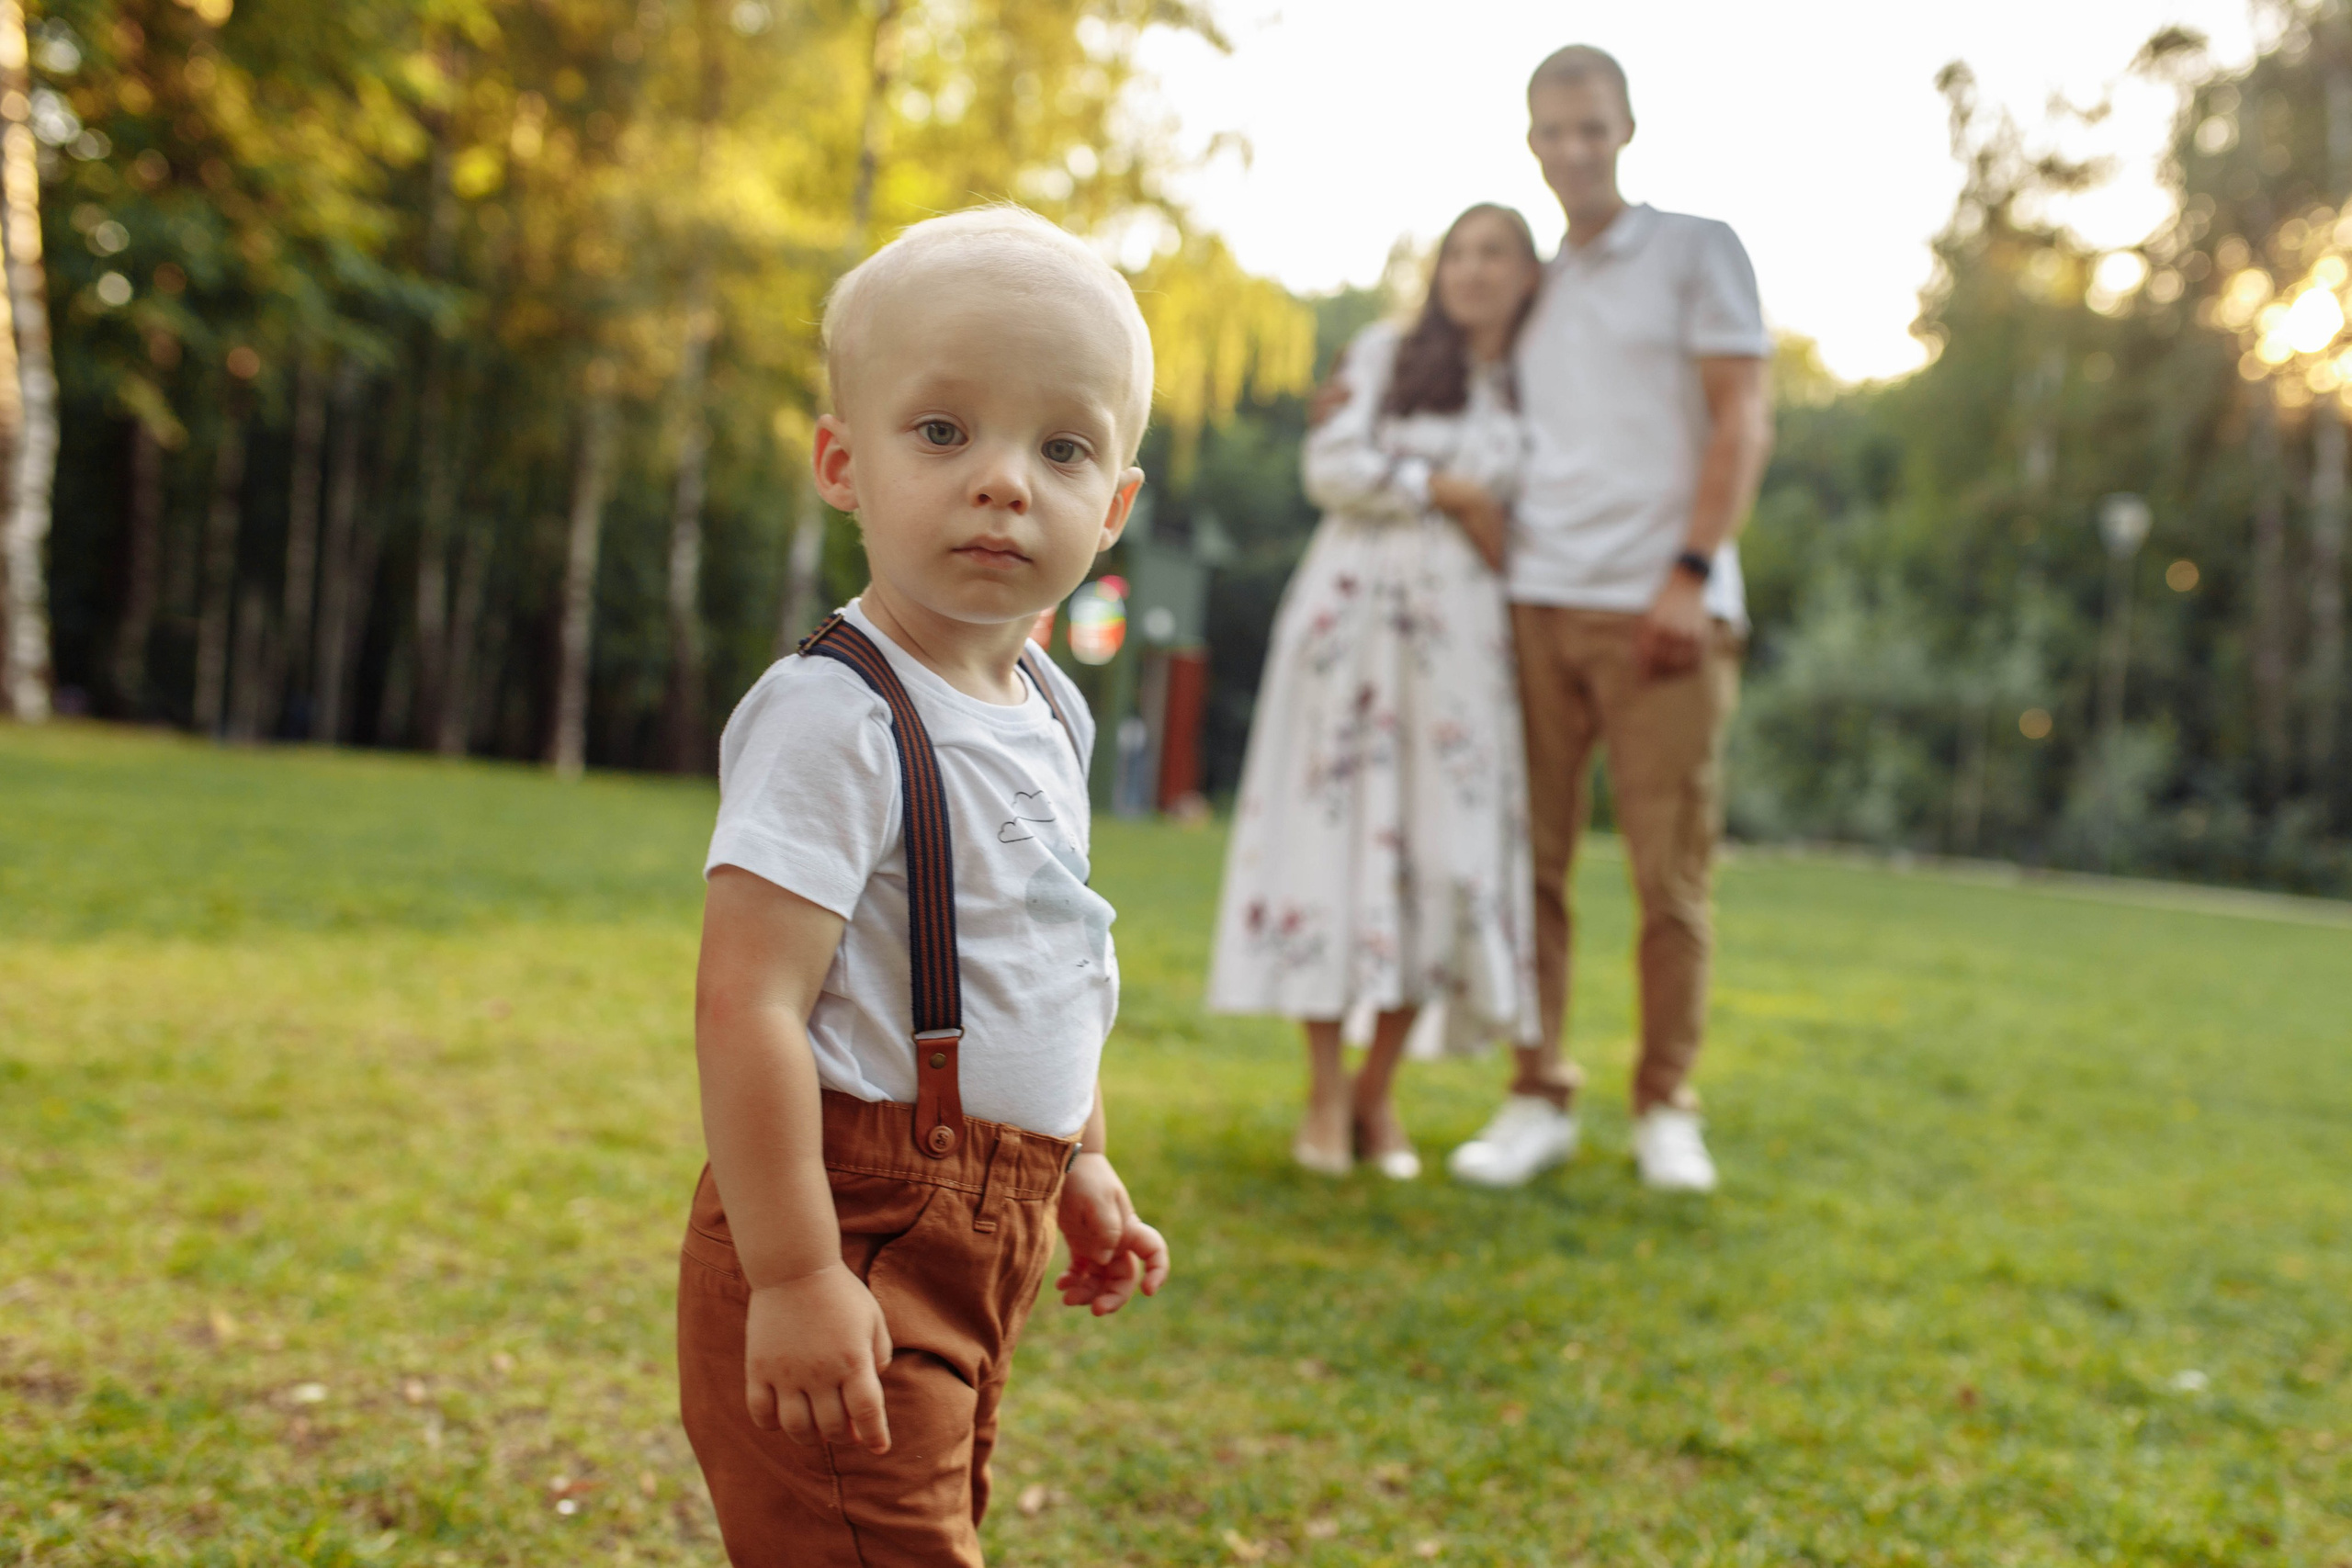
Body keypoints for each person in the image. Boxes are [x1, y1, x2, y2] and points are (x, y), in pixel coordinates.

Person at [677, 206, 1172, 1566]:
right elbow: (748, 1004)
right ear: (844, 461)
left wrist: (1078, 1153)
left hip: (986, 1230)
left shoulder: (1049, 711)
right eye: (944, 431)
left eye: (1061, 446)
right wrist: (794, 1270)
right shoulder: (830, 717)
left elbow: (1047, 955)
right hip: (850, 1220)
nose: (1005, 480)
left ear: (1114, 504)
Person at [1443, 46, 1775, 1193]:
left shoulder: (1695, 250)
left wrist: (1690, 569)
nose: (1573, 149)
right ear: (1531, 142)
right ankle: (1536, 1092)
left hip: (1661, 611)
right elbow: (1462, 377)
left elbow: (1743, 420)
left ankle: (1664, 1104)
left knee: (1665, 875)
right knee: (1530, 865)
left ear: (1625, 129)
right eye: (1552, 131)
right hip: (1533, 606)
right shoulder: (1536, 284)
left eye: (1592, 128)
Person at [1208, 204, 1546, 1180]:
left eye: (1498, 255)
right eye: (1462, 253)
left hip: (1463, 645)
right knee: (1334, 839)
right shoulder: (1386, 350)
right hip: (1350, 628)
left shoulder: (1530, 386)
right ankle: (1322, 1090)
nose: (1475, 271)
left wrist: (1467, 499)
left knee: (1442, 859)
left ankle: (1376, 1091)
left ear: (1529, 277)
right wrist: (1452, 491)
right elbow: (1332, 463)